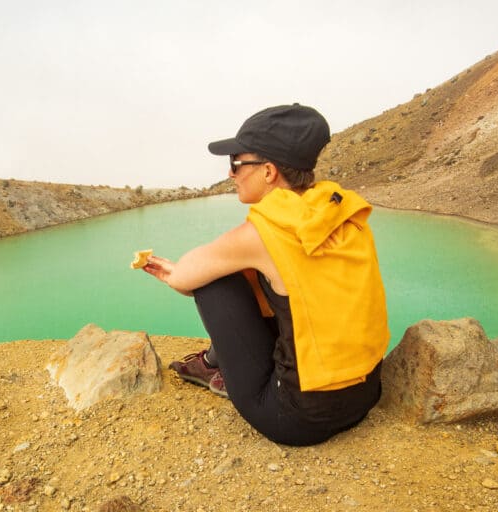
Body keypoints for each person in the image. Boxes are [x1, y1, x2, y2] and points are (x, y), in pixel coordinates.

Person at [142, 104, 390, 446]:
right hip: (365, 395)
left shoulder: (264, 232)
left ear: (269, 172)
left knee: (216, 281)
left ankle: (216, 367)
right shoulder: (343, 214)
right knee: (268, 277)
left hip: (297, 418)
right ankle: (215, 360)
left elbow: (187, 278)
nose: (231, 173)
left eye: (236, 163)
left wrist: (176, 273)